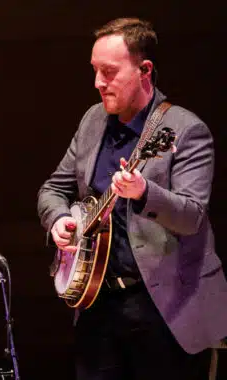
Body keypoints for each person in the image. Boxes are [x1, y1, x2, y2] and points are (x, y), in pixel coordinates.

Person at [37, 18, 227, 380]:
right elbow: (52, 189)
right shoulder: (93, 120)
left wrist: (143, 192)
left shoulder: (186, 131)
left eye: (109, 72)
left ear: (145, 70)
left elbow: (192, 217)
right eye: (94, 71)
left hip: (165, 308)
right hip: (97, 303)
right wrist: (58, 219)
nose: (97, 83)